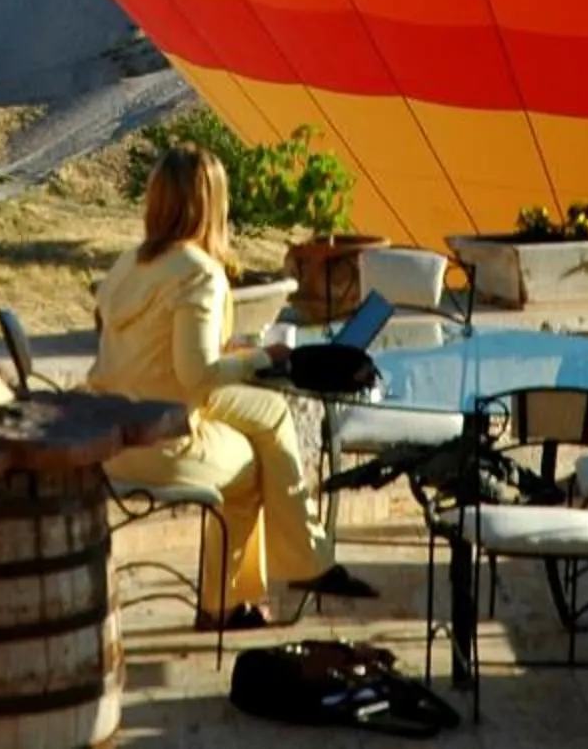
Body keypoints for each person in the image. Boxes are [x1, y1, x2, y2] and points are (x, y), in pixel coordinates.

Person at [89, 147, 376, 628]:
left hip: (108, 434)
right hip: (161, 443)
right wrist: (265, 357)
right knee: (250, 465)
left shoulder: (128, 265)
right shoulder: (199, 274)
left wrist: (238, 356)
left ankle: (306, 560)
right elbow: (196, 377)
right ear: (211, 204)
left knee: (268, 413)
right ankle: (226, 603)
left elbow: (163, 359)